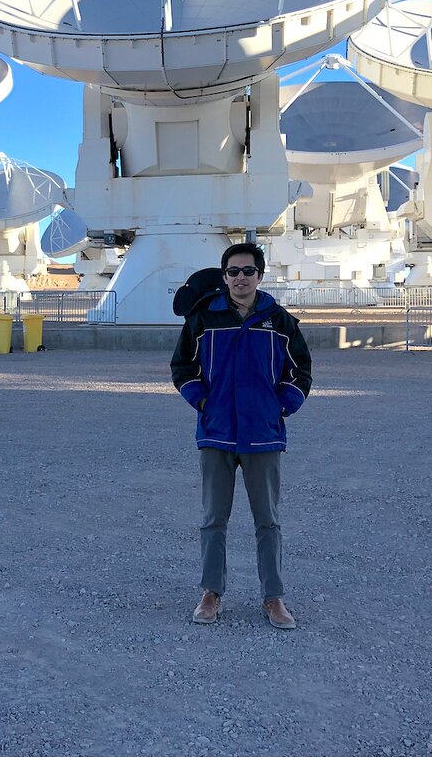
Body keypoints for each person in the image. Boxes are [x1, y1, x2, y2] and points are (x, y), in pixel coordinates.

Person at [169, 242, 312, 629]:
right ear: (224, 276)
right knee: (214, 518)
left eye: (248, 271)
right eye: (233, 272)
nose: (240, 278)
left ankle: (273, 598)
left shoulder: (279, 321)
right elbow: (182, 367)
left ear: (260, 276)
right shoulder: (203, 319)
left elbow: (301, 372)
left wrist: (281, 407)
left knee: (268, 521)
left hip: (262, 436)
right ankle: (211, 593)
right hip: (216, 434)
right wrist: (202, 402)